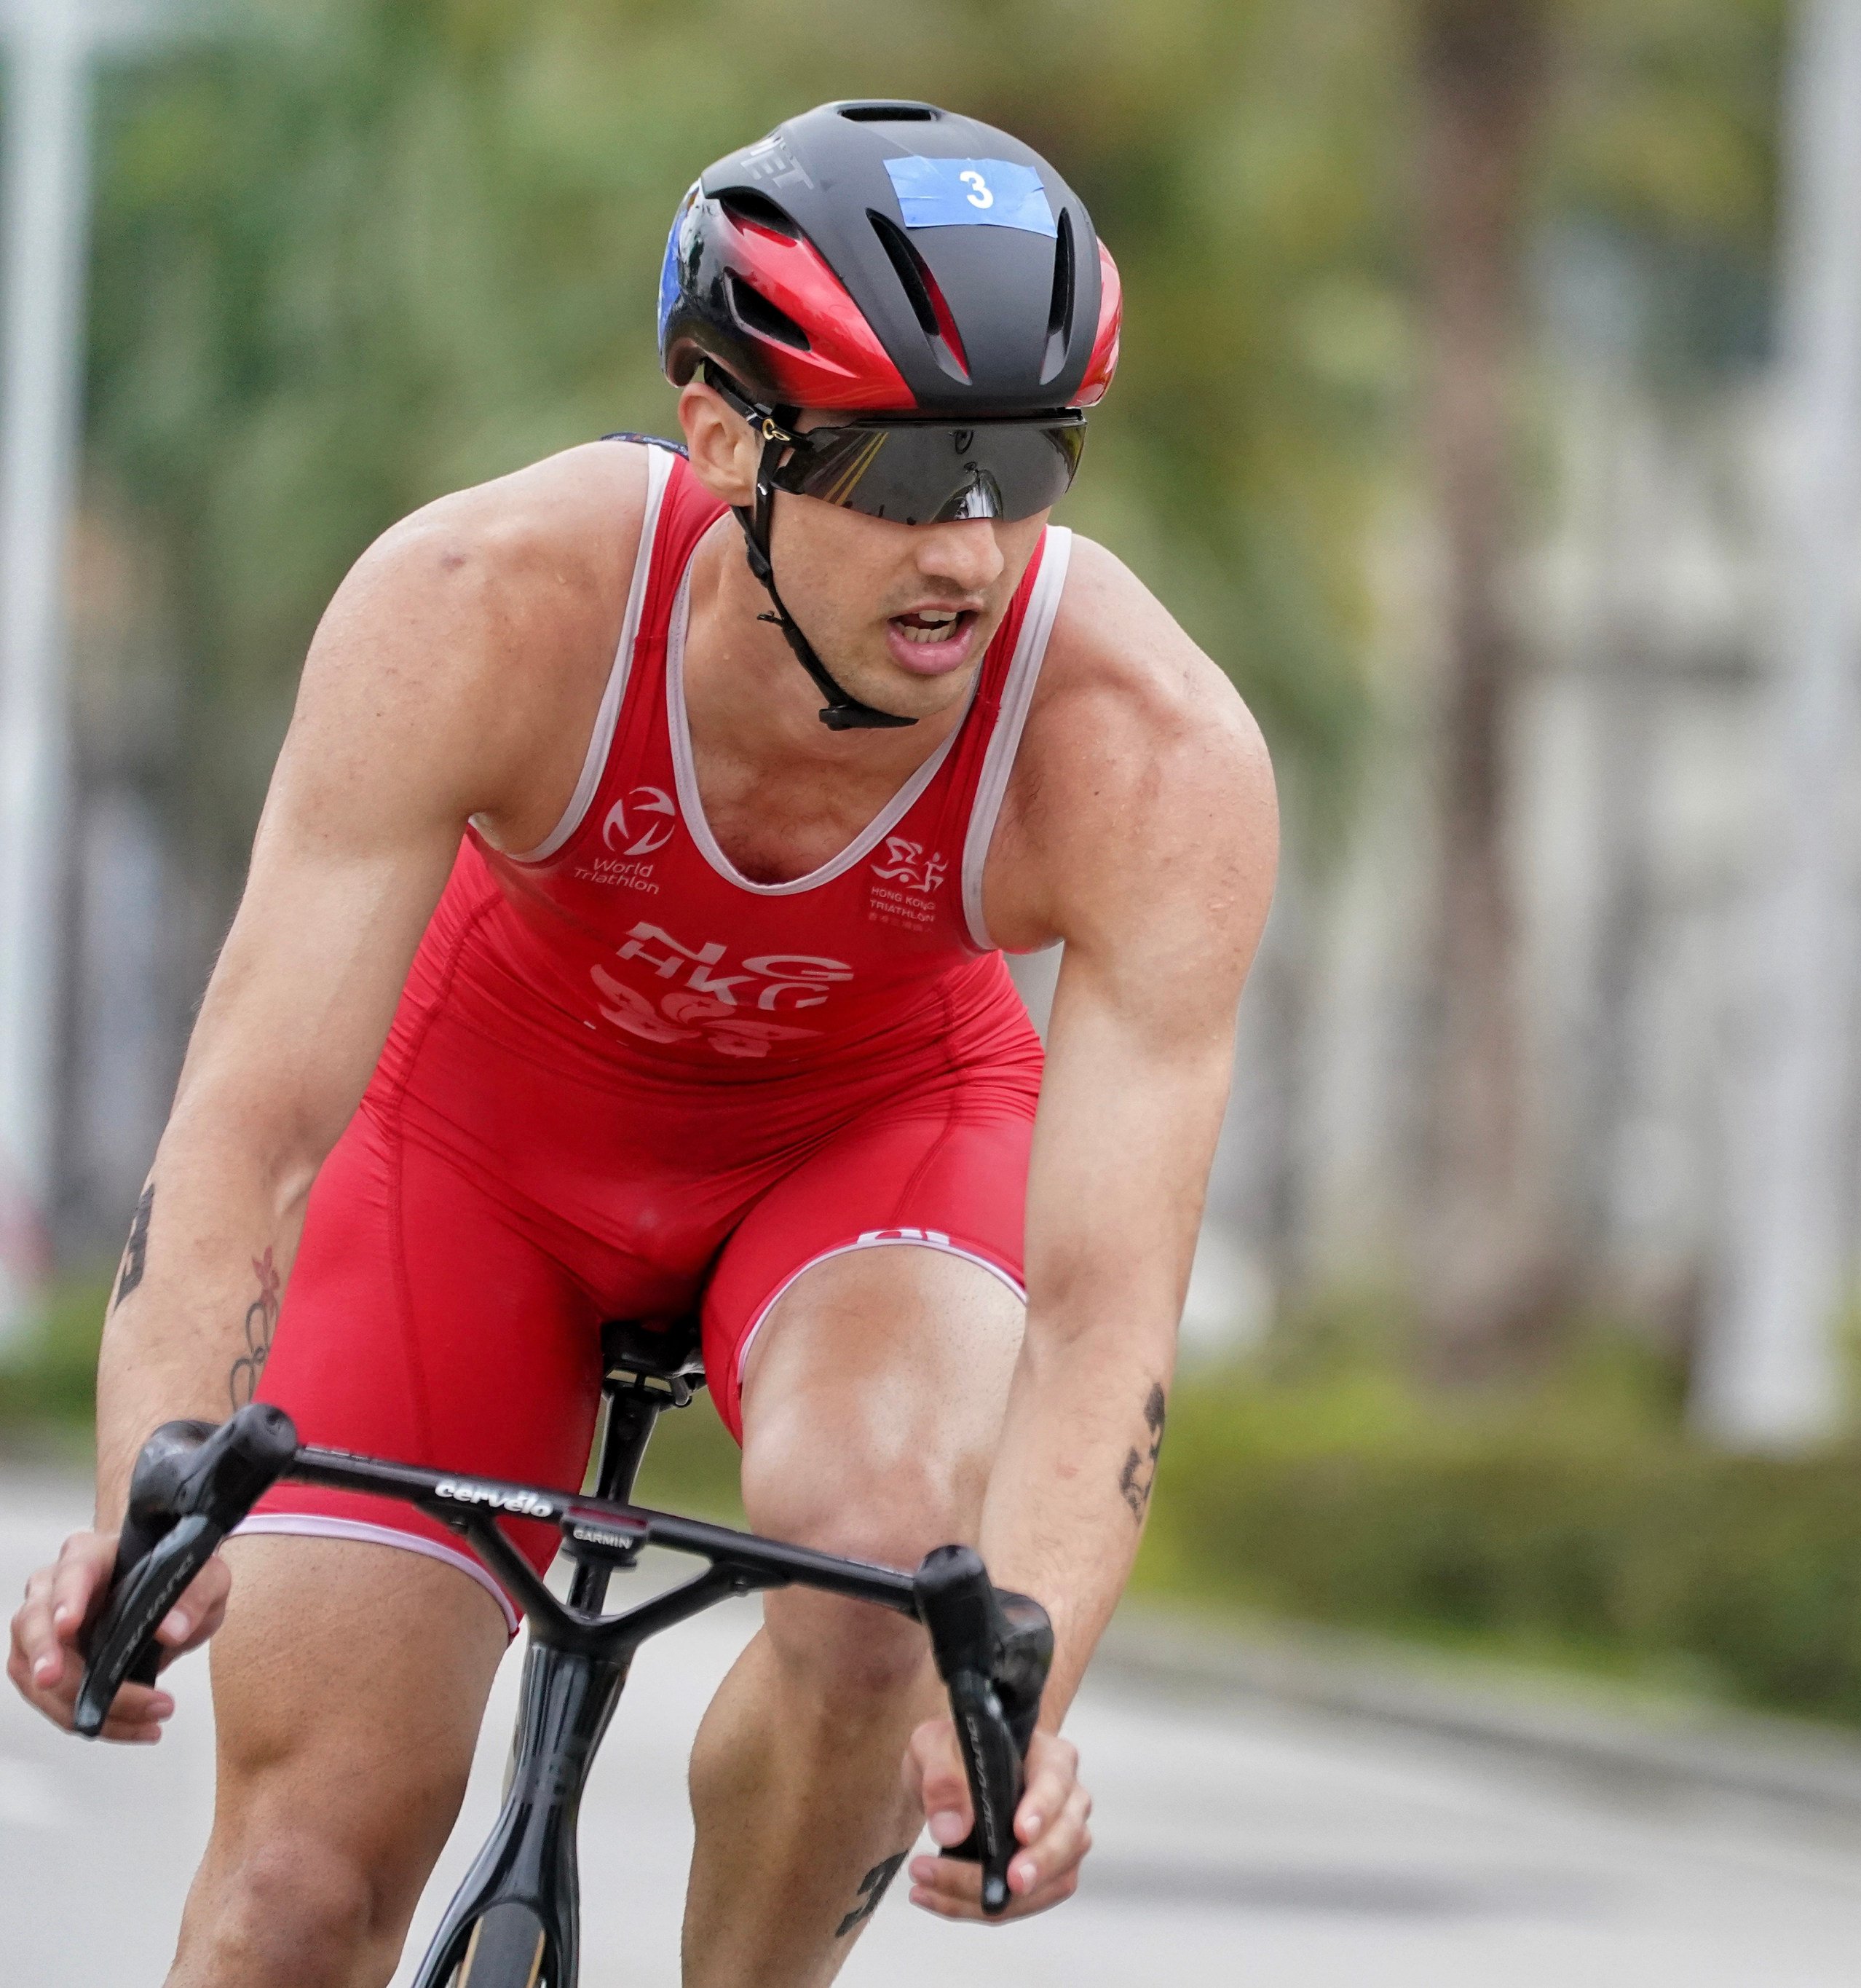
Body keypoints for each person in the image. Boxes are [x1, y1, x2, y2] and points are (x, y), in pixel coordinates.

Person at [7, 100, 1276, 1984]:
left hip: (870, 1143)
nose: (977, 541)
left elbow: (1103, 1316)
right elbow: (254, 1123)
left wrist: (1015, 1700)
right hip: (480, 1145)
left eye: (1026, 457)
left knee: (884, 1568)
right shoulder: (484, 603)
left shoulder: (1149, 749)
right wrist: (149, 1499)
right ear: (724, 435)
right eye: (907, 469)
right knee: (296, 1888)